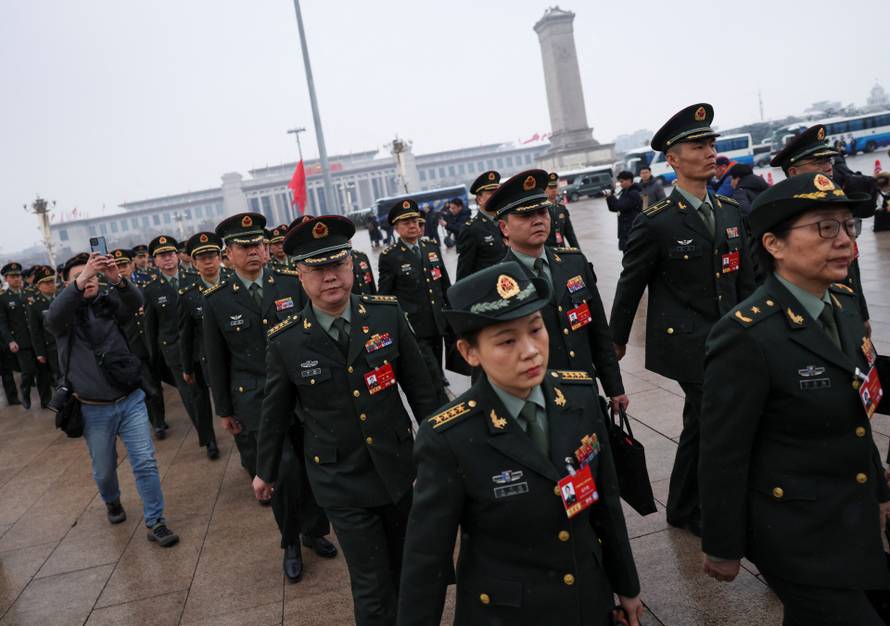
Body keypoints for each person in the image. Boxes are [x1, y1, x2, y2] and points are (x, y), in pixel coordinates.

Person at [397, 261, 643, 626]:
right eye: (507, 340)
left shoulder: (578, 396)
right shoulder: (449, 436)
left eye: (536, 329)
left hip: (588, 599)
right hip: (508, 612)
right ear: (469, 352)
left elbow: (605, 502)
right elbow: (427, 556)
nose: (530, 351)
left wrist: (627, 586)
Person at [700, 172, 889, 625]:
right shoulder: (745, 335)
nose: (844, 240)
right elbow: (723, 451)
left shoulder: (842, 306)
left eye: (848, 226)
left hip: (853, 518)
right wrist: (723, 547)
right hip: (794, 533)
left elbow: (860, 401)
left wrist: (880, 492)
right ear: (774, 245)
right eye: (826, 227)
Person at [255, 215, 440, 625]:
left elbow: (422, 390)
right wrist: (264, 471)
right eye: (318, 269)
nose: (330, 277)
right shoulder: (286, 341)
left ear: (352, 265)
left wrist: (444, 448)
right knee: (372, 583)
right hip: (340, 479)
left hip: (397, 467)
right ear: (299, 275)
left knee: (411, 571)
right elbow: (275, 412)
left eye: (337, 264)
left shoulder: (386, 316)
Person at [609, 103, 756, 536]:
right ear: (672, 160)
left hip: (730, 334)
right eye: (698, 145)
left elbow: (744, 279)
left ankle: (682, 505)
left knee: (700, 421)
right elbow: (630, 283)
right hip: (688, 342)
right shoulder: (655, 222)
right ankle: (715, 509)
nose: (710, 151)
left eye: (711, 143)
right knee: (719, 419)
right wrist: (614, 342)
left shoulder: (729, 210)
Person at [202, 212, 335, 583]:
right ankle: (290, 541)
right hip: (256, 398)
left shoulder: (289, 283)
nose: (255, 252)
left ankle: (313, 530)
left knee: (311, 464)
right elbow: (217, 359)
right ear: (228, 253)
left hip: (301, 391)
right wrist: (224, 410)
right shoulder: (216, 300)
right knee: (283, 469)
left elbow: (312, 334)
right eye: (244, 247)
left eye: (258, 244)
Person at [46, 252, 179, 547]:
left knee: (145, 462)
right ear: (69, 285)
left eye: (93, 276)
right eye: (81, 277)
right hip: (93, 408)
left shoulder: (109, 304)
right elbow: (54, 317)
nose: (89, 281)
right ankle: (111, 500)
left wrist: (116, 278)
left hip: (130, 399)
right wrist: (80, 280)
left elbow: (135, 301)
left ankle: (156, 521)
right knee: (104, 470)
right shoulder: (62, 318)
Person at [495, 169, 628, 413]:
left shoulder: (573, 263)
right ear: (504, 227)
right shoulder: (498, 282)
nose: (538, 220)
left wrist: (614, 387)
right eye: (526, 215)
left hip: (587, 392)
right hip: (539, 404)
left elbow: (598, 331)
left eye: (541, 212)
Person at [770, 124, 874, 334]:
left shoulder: (838, 206)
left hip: (846, 310)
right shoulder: (779, 218)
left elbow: (851, 270)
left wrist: (861, 314)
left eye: (829, 160)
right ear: (793, 171)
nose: (828, 167)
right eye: (818, 161)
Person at [378, 200, 451, 398]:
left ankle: (438, 384)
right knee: (431, 372)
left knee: (437, 362)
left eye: (416, 222)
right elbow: (384, 293)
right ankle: (441, 401)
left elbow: (443, 281)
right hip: (414, 324)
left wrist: (451, 309)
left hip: (436, 319)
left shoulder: (430, 247)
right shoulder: (390, 256)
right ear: (396, 228)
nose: (413, 226)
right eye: (406, 223)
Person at [142, 235, 200, 440]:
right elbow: (150, 328)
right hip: (173, 348)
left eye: (170, 254)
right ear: (155, 261)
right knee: (189, 394)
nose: (167, 259)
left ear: (177, 256)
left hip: (198, 345)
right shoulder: (150, 289)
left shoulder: (194, 279)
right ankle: (205, 435)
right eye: (161, 256)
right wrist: (154, 357)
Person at [177, 232, 222, 460]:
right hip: (205, 358)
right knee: (202, 401)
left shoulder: (233, 282)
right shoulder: (188, 294)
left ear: (219, 257)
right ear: (194, 263)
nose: (208, 262)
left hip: (237, 355)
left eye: (212, 256)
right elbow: (184, 335)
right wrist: (186, 367)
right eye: (202, 258)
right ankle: (210, 441)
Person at [0, 262, 47, 409]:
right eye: (13, 276)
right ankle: (25, 393)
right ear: (6, 279)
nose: (17, 279)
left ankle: (45, 401)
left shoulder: (29, 294)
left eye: (18, 276)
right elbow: (3, 323)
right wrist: (10, 341)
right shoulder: (3, 298)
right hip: (21, 342)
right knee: (28, 371)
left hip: (37, 340)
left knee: (43, 371)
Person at [456, 170, 506, 280]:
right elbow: (464, 272)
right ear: (479, 199)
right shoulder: (471, 229)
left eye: (498, 192)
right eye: (491, 193)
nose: (496, 196)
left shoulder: (508, 222)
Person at [27, 265, 60, 395]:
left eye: (52, 281)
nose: (51, 285)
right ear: (39, 286)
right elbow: (35, 331)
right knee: (59, 376)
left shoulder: (61, 298)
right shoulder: (34, 305)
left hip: (66, 342)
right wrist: (39, 352)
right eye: (46, 283)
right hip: (51, 347)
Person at [605, 171, 643, 251]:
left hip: (631, 229)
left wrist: (611, 197)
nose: (620, 184)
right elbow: (614, 208)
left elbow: (620, 206)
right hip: (625, 230)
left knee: (632, 255)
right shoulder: (625, 192)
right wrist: (609, 196)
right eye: (620, 182)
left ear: (629, 180)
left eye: (622, 181)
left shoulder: (633, 193)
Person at [544, 172, 580, 248]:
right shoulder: (541, 210)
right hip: (548, 253)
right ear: (544, 190)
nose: (553, 190)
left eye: (555, 187)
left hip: (562, 251)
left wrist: (579, 255)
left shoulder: (561, 208)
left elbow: (570, 235)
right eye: (550, 188)